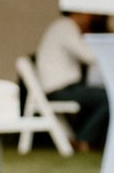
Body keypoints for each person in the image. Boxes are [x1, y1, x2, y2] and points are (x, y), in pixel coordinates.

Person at [32, 11, 109, 149]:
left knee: (98, 96)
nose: (89, 19)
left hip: (61, 87)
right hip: (59, 89)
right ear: (77, 13)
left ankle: (86, 138)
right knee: (107, 98)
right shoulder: (65, 27)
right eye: (88, 14)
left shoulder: (62, 27)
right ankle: (83, 139)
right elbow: (88, 55)